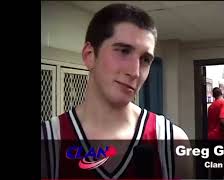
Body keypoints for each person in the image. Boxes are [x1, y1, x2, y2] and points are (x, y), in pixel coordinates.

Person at [41, 3, 192, 179]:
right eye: (123, 51)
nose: (135, 72)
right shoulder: (48, 142)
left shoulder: (171, 142)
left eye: (145, 59)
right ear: (89, 55)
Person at [207, 87, 224, 179]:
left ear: (213, 95)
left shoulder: (211, 106)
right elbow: (222, 121)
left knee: (214, 163)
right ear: (222, 93)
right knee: (221, 164)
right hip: (219, 137)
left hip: (210, 136)